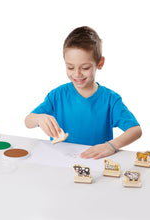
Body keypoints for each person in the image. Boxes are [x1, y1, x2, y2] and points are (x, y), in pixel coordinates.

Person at [24, 26, 142, 159]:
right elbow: (28, 121)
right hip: (61, 161)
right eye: (70, 67)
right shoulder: (58, 95)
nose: (77, 74)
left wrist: (111, 146)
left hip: (96, 163)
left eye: (85, 67)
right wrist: (39, 118)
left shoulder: (110, 100)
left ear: (100, 63)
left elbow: (136, 130)